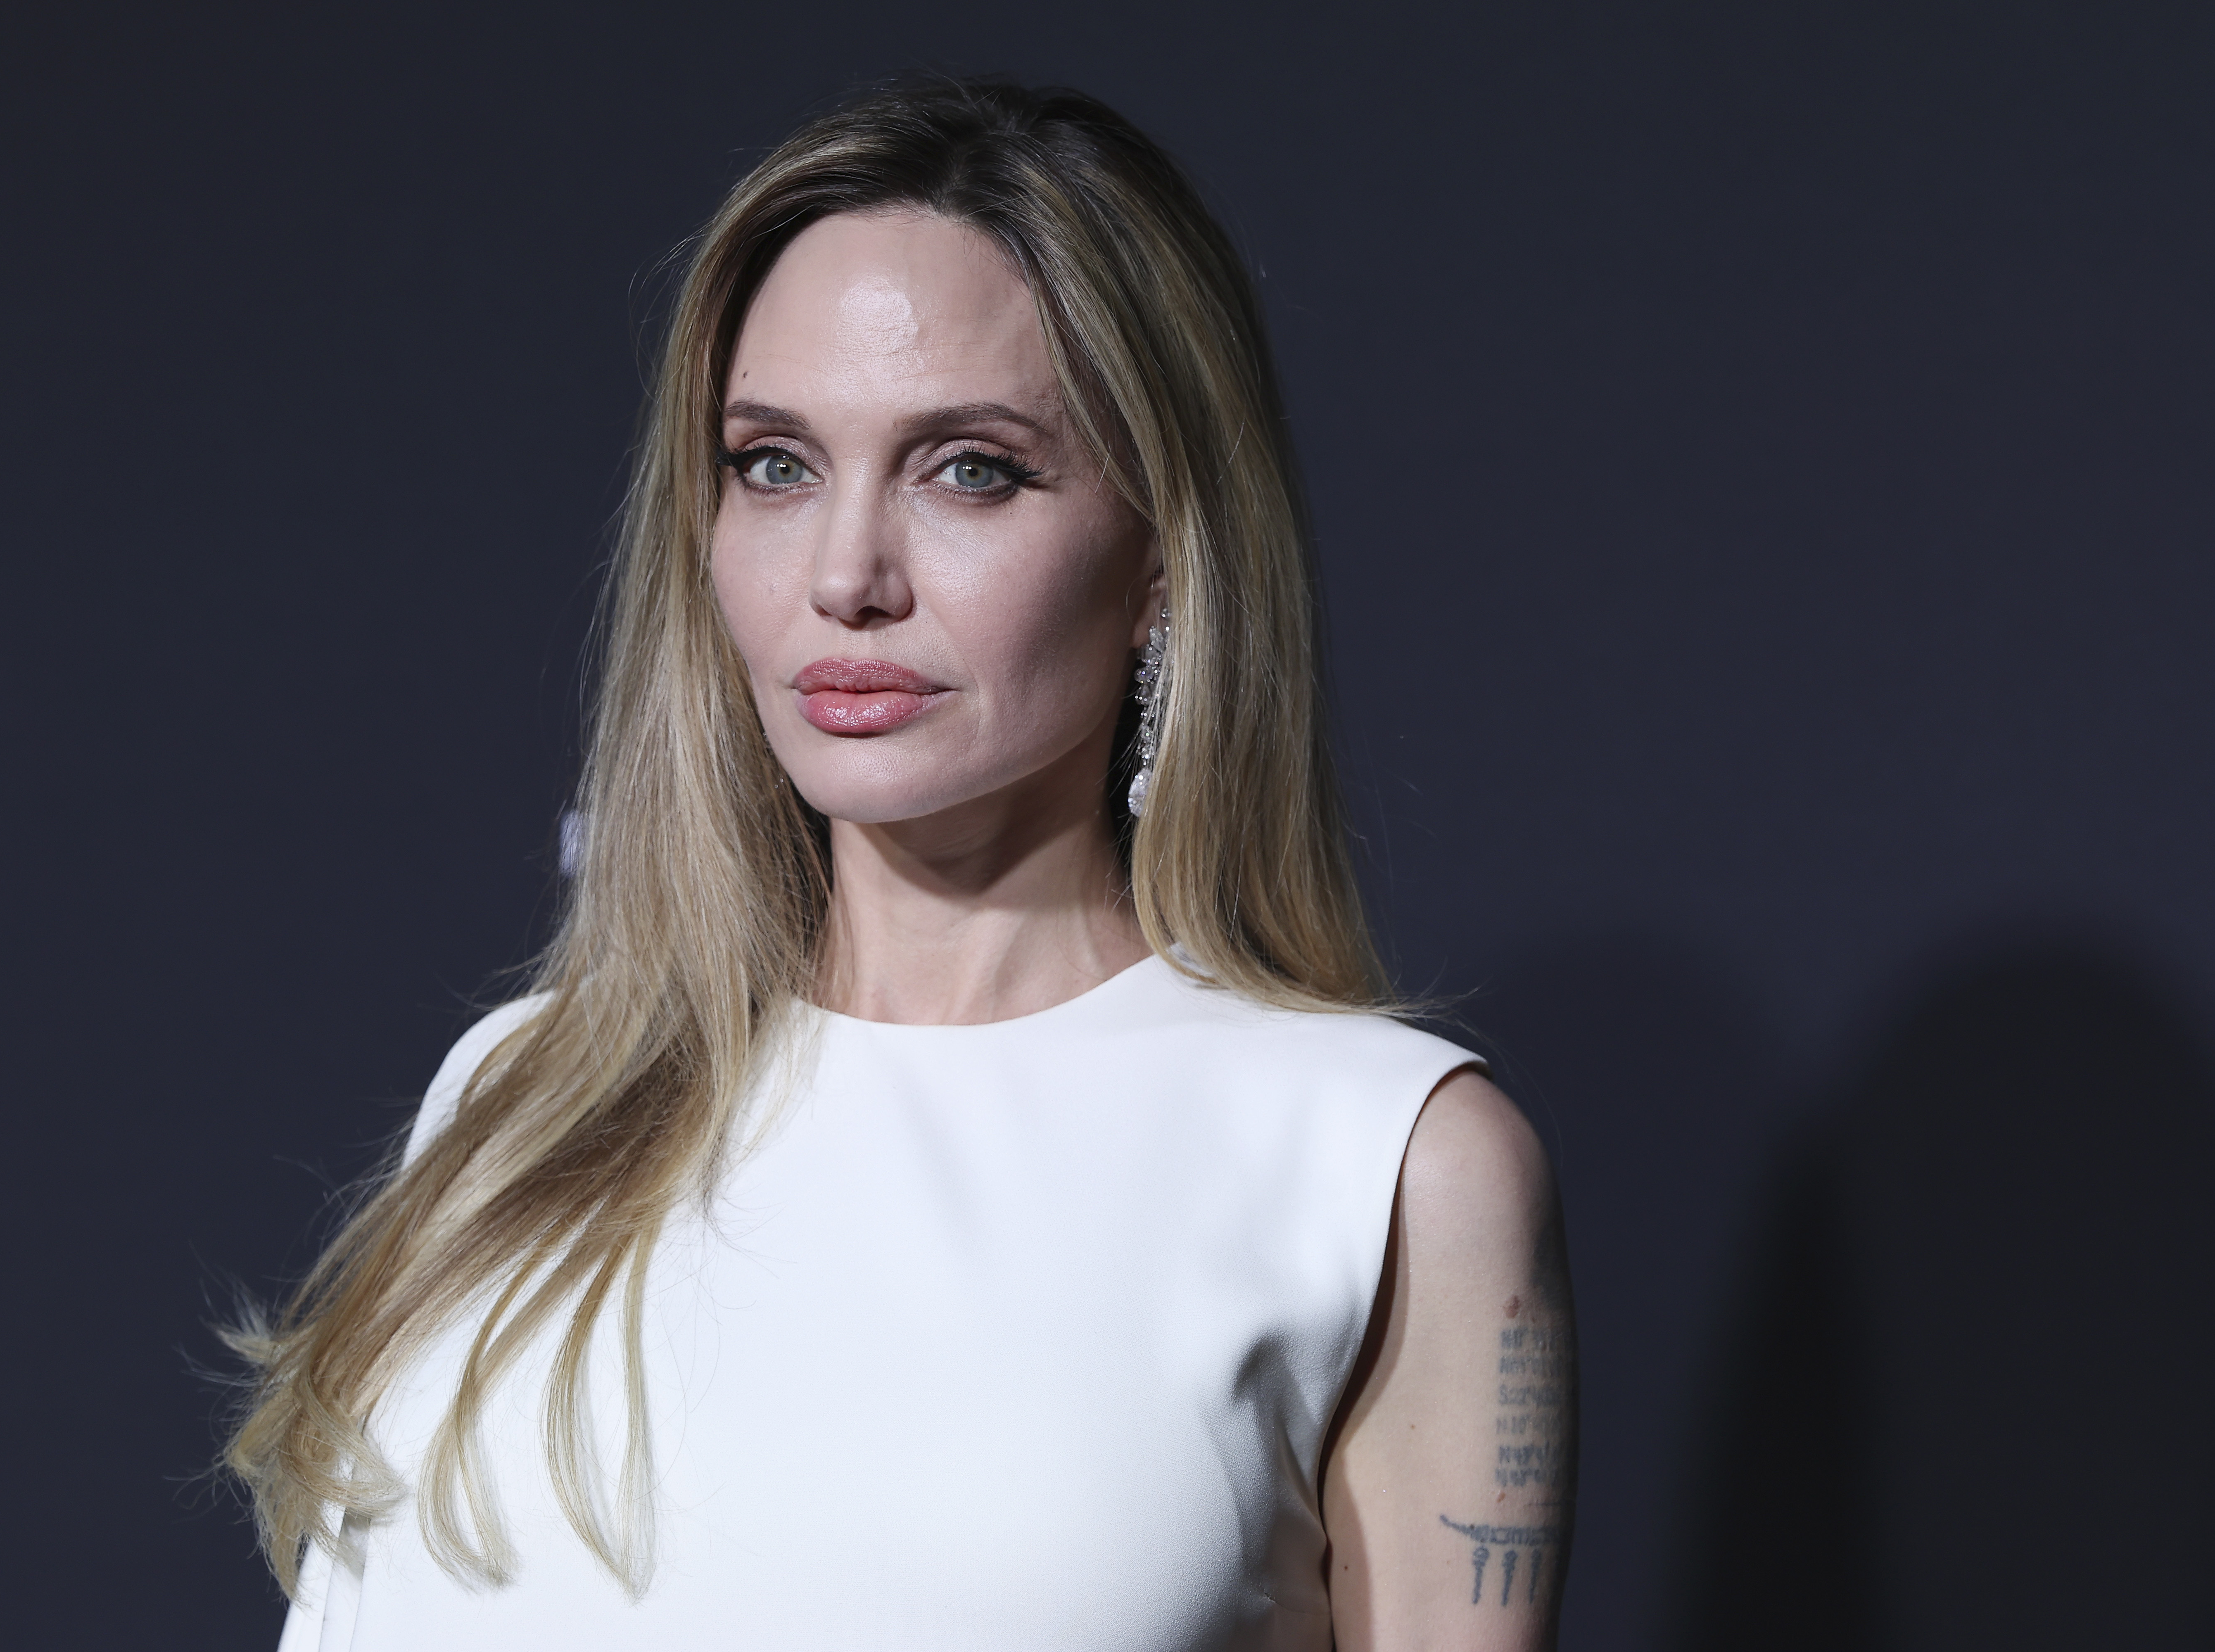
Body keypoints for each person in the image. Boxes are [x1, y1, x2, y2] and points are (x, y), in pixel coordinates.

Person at [228, 78, 1577, 1652]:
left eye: (969, 470)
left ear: (1162, 559)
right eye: (775, 465)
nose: (846, 576)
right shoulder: (517, 1097)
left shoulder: (1382, 1166)